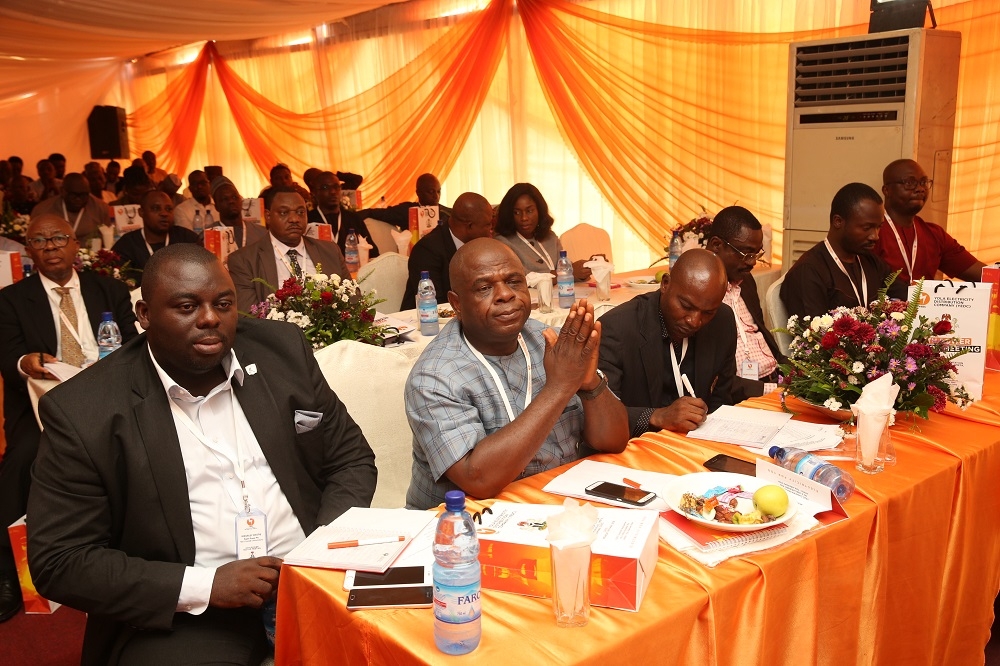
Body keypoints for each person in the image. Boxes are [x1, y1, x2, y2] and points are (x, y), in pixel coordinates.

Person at [26, 243, 376, 664]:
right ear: (144, 315)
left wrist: (319, 551)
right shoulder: (85, 410)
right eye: (186, 306)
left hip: (311, 579)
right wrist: (205, 586)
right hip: (191, 615)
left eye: (223, 303)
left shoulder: (282, 352)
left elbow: (351, 458)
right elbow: (60, 560)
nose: (210, 318)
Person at [405, 238, 628, 509]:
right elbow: (478, 480)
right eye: (485, 287)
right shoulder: (434, 377)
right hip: (461, 526)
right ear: (457, 304)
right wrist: (559, 387)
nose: (505, 295)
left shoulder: (553, 342)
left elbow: (614, 440)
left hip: (559, 501)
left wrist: (590, 383)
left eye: (514, 282)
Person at [0, 214, 137, 623]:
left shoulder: (109, 289)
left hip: (109, 396)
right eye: (40, 240)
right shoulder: (11, 299)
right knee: (19, 462)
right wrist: (27, 361)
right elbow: (8, 355)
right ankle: (8, 575)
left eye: (59, 237)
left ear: (76, 244)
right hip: (43, 403)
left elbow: (133, 343)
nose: (51, 246)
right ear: (29, 251)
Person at [599, 249, 736, 436]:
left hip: (700, 445)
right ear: (665, 284)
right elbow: (598, 413)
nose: (694, 321)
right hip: (634, 447)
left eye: (708, 312)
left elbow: (721, 399)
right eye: (686, 306)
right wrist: (657, 417)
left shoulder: (722, 321)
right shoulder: (617, 328)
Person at [782, 182, 908, 320]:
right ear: (838, 222)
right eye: (867, 228)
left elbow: (908, 295)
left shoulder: (870, 261)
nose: (875, 236)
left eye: (879, 227)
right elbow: (812, 336)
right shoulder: (809, 271)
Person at [705, 206, 785, 401]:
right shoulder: (700, 291)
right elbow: (713, 377)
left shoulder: (746, 281)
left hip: (775, 379)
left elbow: (761, 334)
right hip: (742, 394)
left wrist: (796, 373)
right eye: (745, 253)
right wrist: (772, 390)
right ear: (716, 245)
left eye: (756, 254)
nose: (752, 263)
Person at [227, 187, 350, 313]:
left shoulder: (330, 251)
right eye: (284, 213)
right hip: (275, 332)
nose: (294, 219)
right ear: (268, 216)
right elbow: (249, 316)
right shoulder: (244, 260)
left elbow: (353, 302)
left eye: (300, 212)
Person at [875, 159, 985, 283]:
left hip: (924, 301)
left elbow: (982, 274)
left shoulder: (934, 234)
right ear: (887, 190)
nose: (920, 189)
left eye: (924, 182)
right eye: (910, 183)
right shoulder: (873, 232)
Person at [399, 191, 494, 310]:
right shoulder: (427, 251)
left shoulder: (480, 245)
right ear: (469, 226)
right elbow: (437, 304)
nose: (491, 230)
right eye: (488, 225)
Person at [493, 182, 589, 281]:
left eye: (529, 211)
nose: (524, 218)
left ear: (539, 210)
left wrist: (586, 268)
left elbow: (566, 268)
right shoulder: (502, 243)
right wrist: (567, 272)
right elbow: (524, 279)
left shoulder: (550, 237)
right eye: (517, 212)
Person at [112, 191, 200, 287]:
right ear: (141, 212)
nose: (164, 213)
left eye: (169, 209)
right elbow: (119, 280)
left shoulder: (186, 238)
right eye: (156, 208)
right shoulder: (127, 245)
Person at [306, 171, 379, 260]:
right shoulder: (308, 220)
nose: (333, 192)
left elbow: (373, 253)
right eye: (325, 187)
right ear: (314, 192)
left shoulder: (353, 219)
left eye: (336, 187)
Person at [30, 173, 112, 243]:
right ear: (62, 191)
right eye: (74, 194)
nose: (78, 199)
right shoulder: (42, 210)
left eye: (83, 195)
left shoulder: (101, 208)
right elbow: (34, 240)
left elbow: (108, 238)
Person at [359, 173, 452, 231]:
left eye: (438, 191)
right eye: (431, 192)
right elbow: (379, 213)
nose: (436, 196)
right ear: (418, 193)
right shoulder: (407, 210)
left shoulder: (446, 213)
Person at [208, 176, 267, 251]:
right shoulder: (209, 235)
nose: (231, 201)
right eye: (225, 199)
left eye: (234, 197)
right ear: (216, 206)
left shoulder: (261, 233)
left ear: (241, 200)